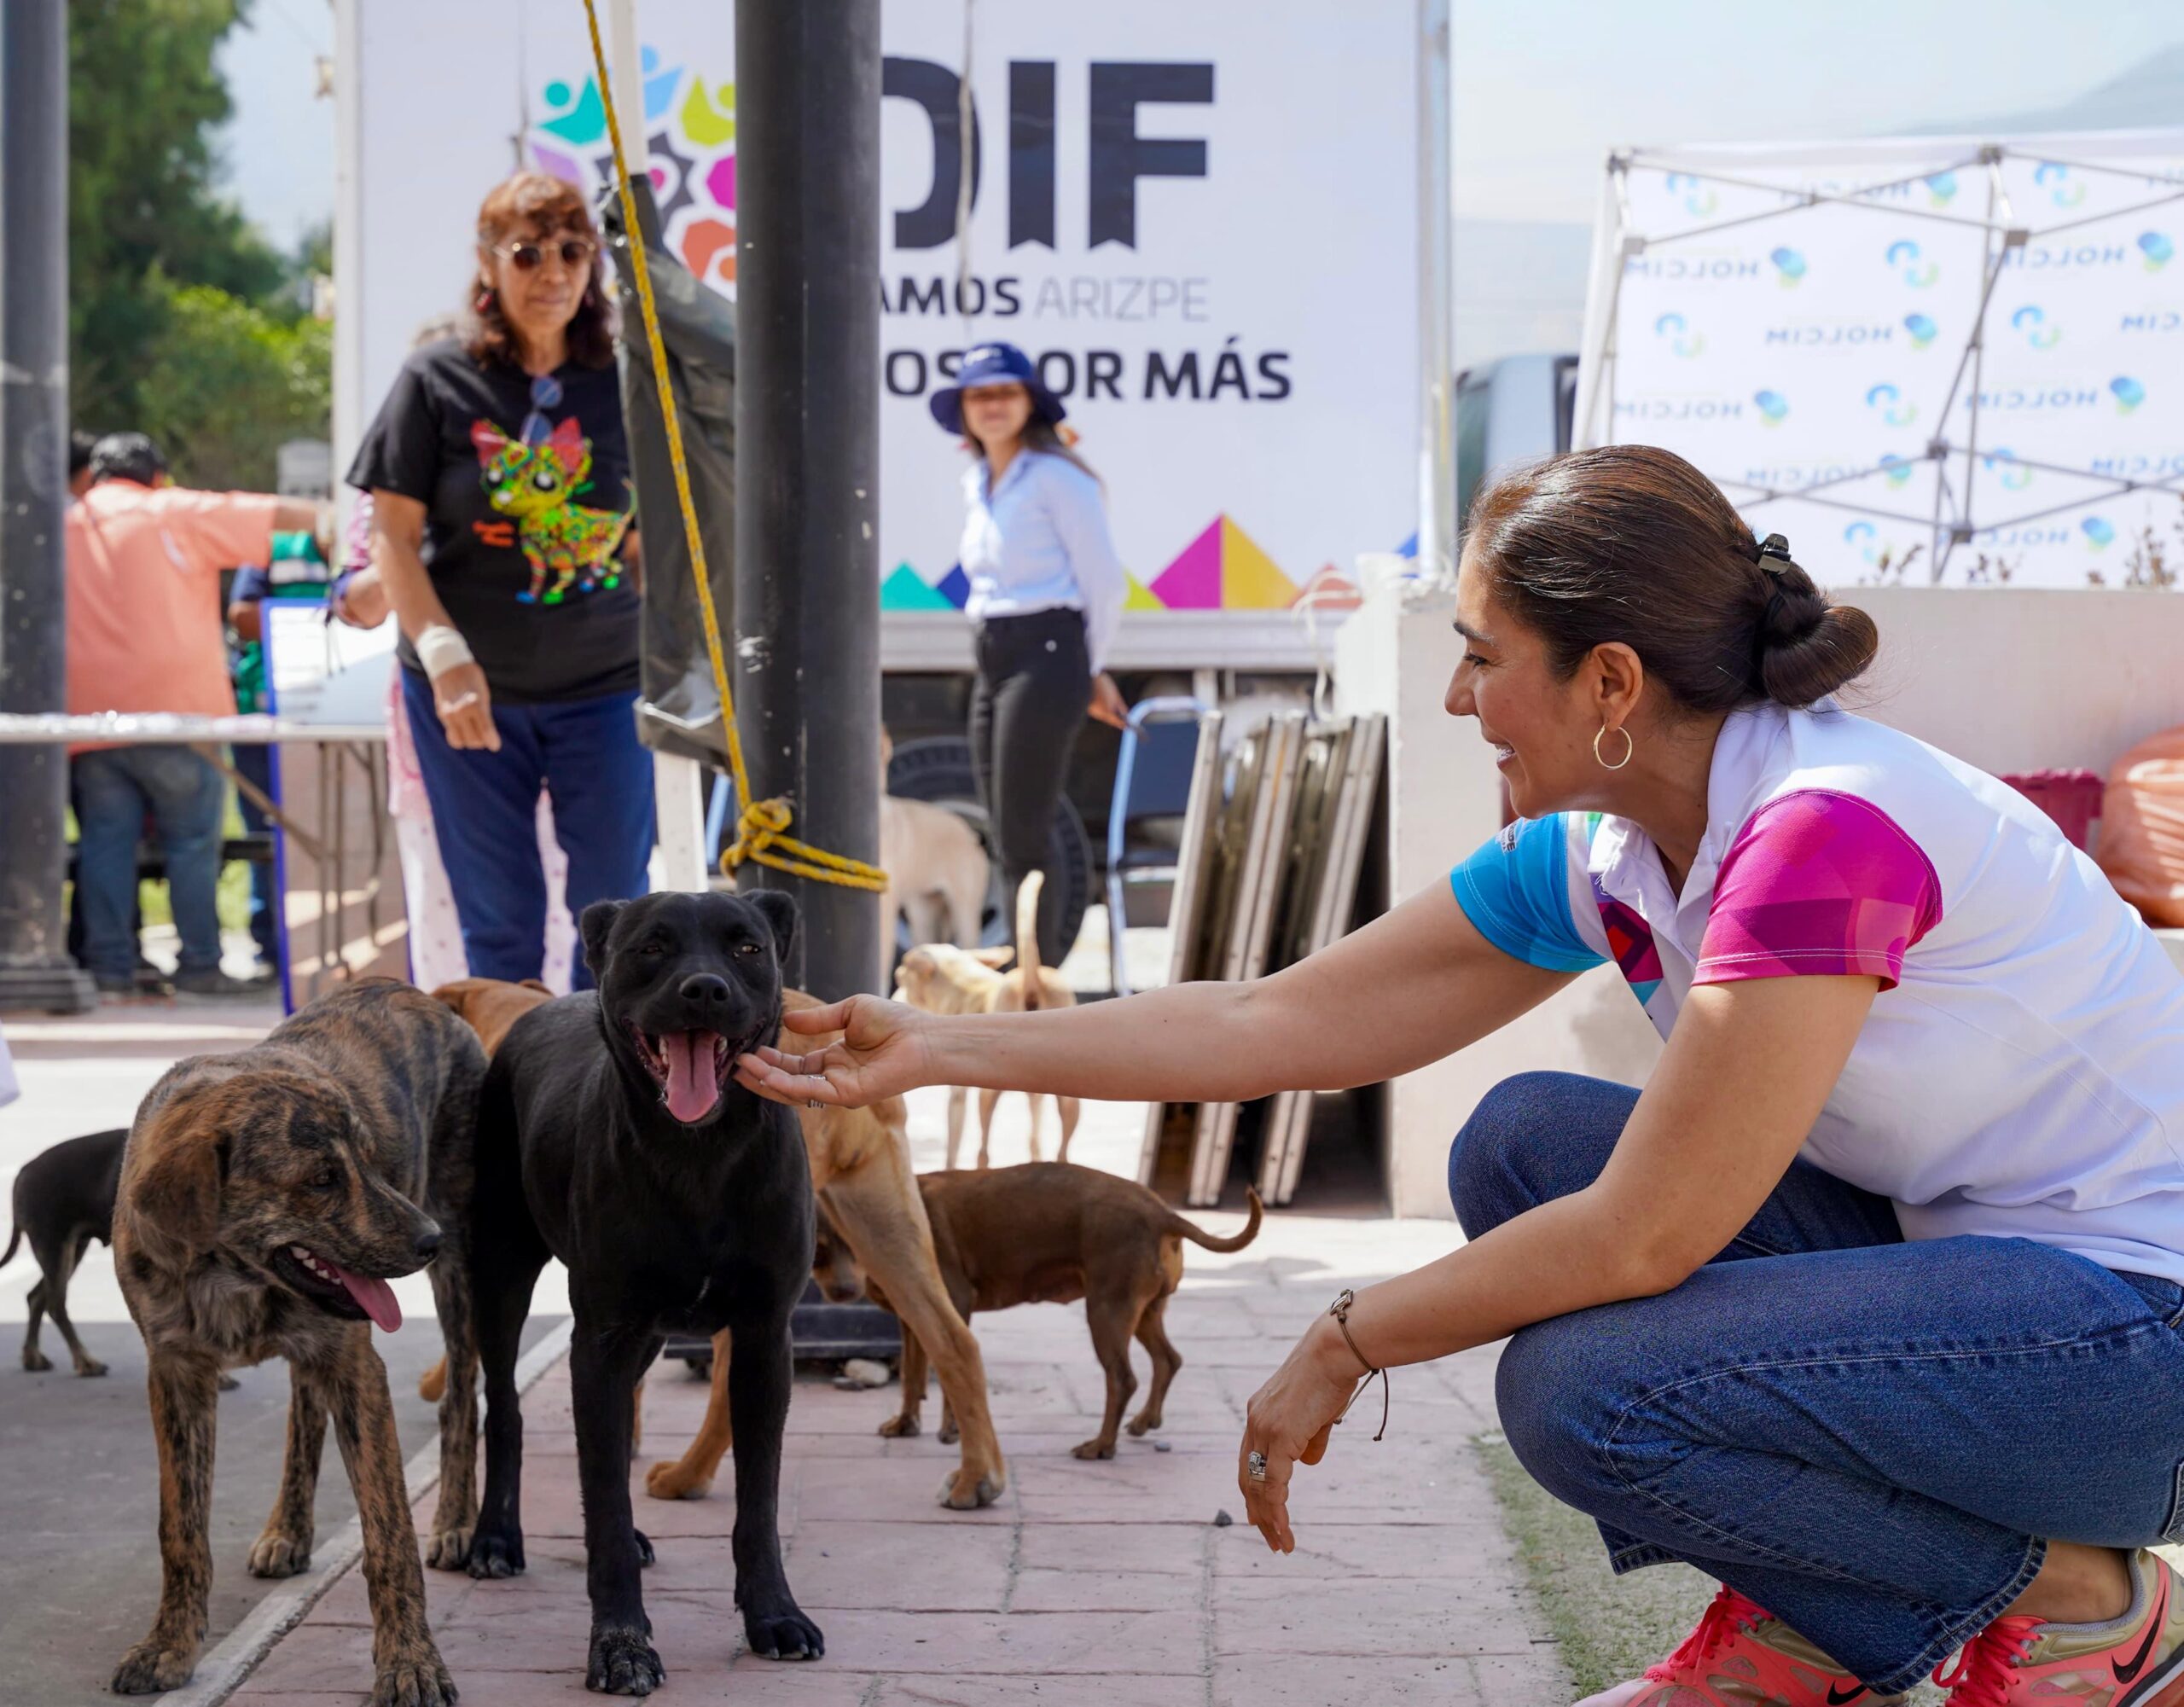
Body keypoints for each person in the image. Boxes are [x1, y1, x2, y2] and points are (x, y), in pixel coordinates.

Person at [739, 444, 2184, 1707]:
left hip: (2144, 1346)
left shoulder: (1824, 834)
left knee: (1590, 1390)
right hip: (2002, 1305)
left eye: (1484, 654)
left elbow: (1647, 1236)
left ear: (1609, 680)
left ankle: (2090, 1611)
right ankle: (1814, 1629)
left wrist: (1348, 1336)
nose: (1453, 694)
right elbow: (1266, 1021)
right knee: (1526, 1141)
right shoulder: (1623, 853)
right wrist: (931, 1044)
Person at [347, 171, 648, 990]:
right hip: (468, 695)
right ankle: (514, 1104)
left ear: (593, 264)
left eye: (571, 251)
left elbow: (659, 530)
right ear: (488, 264)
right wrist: (444, 657)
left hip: (607, 686)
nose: (551, 272)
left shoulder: (628, 379)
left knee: (617, 918)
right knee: (500, 923)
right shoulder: (434, 378)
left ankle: (607, 1102)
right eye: (527, 252)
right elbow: (393, 539)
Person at [66, 432, 322, 998]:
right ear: (157, 476)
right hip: (181, 713)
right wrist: (347, 517)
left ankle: (109, 966)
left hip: (87, 718)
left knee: (106, 841)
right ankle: (200, 965)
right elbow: (277, 514)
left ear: (94, 479)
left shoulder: (65, 524)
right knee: (191, 842)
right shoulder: (172, 510)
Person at [929, 340, 1129, 967]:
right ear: (962, 408)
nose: (991, 406)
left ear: (1030, 403)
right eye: (978, 395)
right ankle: (1021, 974)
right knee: (1003, 825)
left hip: (1049, 651)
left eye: (1005, 392)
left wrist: (1090, 668)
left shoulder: (1057, 476)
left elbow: (1104, 580)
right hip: (995, 654)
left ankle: (1029, 984)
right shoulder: (978, 480)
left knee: (1026, 830)